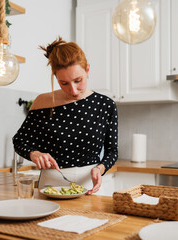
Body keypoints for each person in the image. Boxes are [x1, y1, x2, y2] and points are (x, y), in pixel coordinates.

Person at [13, 37, 118, 195]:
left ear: (87, 70)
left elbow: (112, 151)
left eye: (78, 81)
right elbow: (19, 140)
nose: (74, 90)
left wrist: (100, 168)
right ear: (56, 77)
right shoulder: (42, 102)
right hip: (51, 183)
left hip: (91, 183)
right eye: (64, 83)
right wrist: (33, 153)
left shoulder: (105, 105)